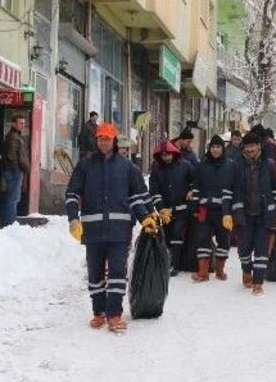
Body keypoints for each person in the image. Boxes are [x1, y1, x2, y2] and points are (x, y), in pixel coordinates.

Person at [65, 123, 158, 333]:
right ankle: (98, 312)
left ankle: (114, 314)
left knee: (117, 272)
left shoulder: (127, 168)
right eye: (100, 139)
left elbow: (136, 198)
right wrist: (73, 220)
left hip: (119, 230)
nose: (103, 142)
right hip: (93, 230)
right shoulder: (85, 165)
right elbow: (72, 194)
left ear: (114, 140)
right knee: (95, 274)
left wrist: (145, 218)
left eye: (107, 138)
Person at [231, 132, 276, 295]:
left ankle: (258, 282)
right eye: (247, 146)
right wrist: (229, 212)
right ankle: (247, 270)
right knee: (244, 250)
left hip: (264, 215)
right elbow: (232, 190)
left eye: (253, 145)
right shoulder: (237, 165)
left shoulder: (268, 165)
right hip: (244, 215)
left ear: (258, 147)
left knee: (262, 250)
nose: (250, 149)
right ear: (244, 148)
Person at [191, 135, 237, 282]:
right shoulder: (202, 165)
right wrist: (194, 207)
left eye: (218, 147)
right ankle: (203, 272)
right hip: (204, 209)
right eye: (213, 147)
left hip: (223, 211)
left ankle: (219, 270)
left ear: (222, 149)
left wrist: (231, 211)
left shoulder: (231, 165)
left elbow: (235, 188)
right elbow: (196, 187)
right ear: (209, 149)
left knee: (224, 241)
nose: (215, 150)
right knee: (202, 240)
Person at [149, 140, 196, 276]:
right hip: (165, 210)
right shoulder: (156, 169)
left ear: (174, 153)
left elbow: (196, 180)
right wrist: (161, 208)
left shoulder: (186, 166)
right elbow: (154, 190)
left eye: (168, 154)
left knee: (177, 233)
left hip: (182, 208)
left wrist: (191, 190)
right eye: (163, 155)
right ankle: (168, 260)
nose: (166, 158)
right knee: (167, 234)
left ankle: (175, 263)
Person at [0, 115, 29, 226]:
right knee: (13, 198)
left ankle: (7, 222)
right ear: (13, 124)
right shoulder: (13, 137)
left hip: (14, 171)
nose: (23, 125)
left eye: (23, 123)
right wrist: (17, 169)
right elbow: (11, 156)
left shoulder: (16, 136)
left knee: (12, 197)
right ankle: (9, 224)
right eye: (20, 123)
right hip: (13, 172)